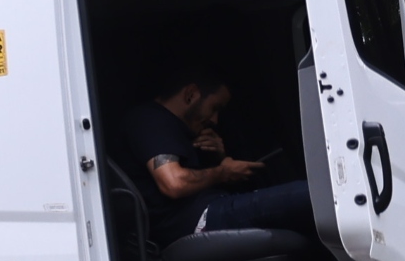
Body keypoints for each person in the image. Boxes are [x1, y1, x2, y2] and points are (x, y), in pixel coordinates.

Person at [111, 61, 314, 244]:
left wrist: (220, 157)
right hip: (192, 220)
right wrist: (223, 171)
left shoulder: (180, 130)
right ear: (191, 94)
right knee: (312, 195)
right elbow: (174, 183)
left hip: (210, 207)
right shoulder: (150, 120)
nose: (215, 120)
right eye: (214, 108)